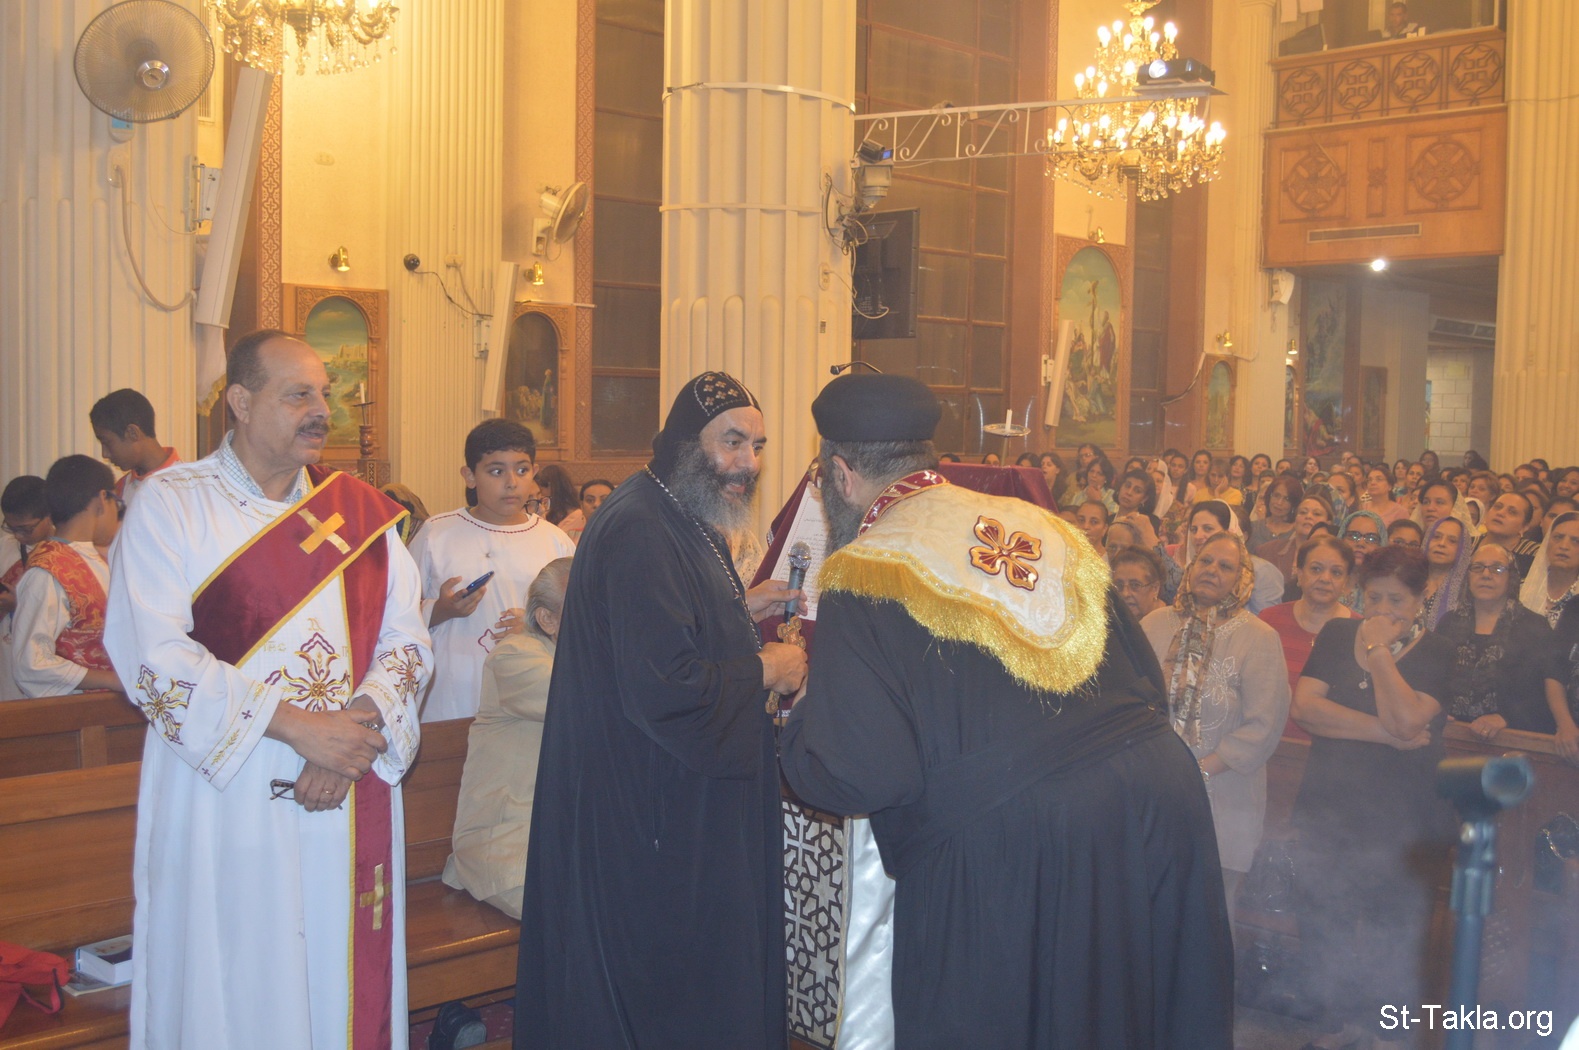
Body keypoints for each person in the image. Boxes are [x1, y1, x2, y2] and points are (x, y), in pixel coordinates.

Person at [779, 371, 1233, 1049]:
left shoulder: (863, 569)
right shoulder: (1040, 524)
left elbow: (864, 775)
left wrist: (797, 724)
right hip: (1159, 798)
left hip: (1029, 850)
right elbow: (1145, 675)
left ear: (840, 475)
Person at [103, 328, 432, 1050]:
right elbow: (150, 653)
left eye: (325, 394)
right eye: (298, 395)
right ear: (241, 402)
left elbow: (408, 640)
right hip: (224, 790)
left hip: (347, 786)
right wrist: (300, 729)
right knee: (235, 976)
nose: (320, 410)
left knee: (336, 975)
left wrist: (352, 733)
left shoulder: (361, 515)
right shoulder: (172, 504)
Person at [516, 371, 806, 1049]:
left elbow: (661, 625)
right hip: (649, 807)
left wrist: (739, 608)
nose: (748, 462)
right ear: (684, 444)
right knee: (665, 985)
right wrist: (767, 667)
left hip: (663, 792)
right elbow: (665, 686)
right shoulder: (641, 527)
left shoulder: (672, 511)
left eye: (757, 446)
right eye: (731, 442)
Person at [1289, 544, 1455, 1050]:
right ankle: (1332, 1026)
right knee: (1324, 919)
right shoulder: (1338, 634)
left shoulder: (1439, 651)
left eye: (1396, 600)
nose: (1383, 610)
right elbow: (1306, 709)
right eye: (1374, 597)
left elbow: (1408, 719)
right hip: (1329, 806)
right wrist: (1386, 735)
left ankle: (1387, 1034)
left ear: (1422, 597)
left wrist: (1380, 650)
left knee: (1394, 931)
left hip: (1403, 819)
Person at [1142, 531, 1290, 911]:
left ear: (1242, 578)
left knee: (1208, 912)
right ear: (1191, 566)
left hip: (1223, 796)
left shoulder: (1259, 638)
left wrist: (1197, 771)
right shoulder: (1155, 624)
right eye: (1206, 561)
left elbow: (1264, 726)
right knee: (1146, 904)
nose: (1212, 570)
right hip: (1153, 790)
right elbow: (1131, 700)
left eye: (1226, 566)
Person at [409, 421, 575, 722]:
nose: (511, 482)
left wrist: (536, 626)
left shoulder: (555, 541)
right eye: (496, 471)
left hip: (530, 694)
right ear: (470, 476)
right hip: (453, 691)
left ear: (535, 473)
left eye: (522, 470)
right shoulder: (437, 534)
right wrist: (441, 610)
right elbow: (394, 615)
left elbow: (581, 619)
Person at [443, 556, 572, 919]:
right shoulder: (516, 655)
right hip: (507, 845)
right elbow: (588, 702)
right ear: (547, 619)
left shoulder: (588, 661)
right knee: (596, 919)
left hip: (569, 839)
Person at [9, 456, 122, 698]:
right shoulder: (48, 570)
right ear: (102, 499)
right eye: (117, 501)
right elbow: (31, 664)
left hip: (114, 708)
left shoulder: (100, 557)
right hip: (78, 710)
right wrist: (114, 680)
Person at [1437, 542, 1564, 739]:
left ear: (1511, 577)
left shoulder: (1534, 627)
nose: (1486, 574)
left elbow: (1543, 692)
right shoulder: (1448, 623)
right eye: (1478, 567)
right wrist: (1435, 710)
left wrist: (1506, 718)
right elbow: (1431, 677)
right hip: (1450, 734)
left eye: (1497, 568)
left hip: (1511, 738)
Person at [1259, 536, 1356, 741]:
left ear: (1346, 582)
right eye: (1316, 569)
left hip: (1333, 749)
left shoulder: (1359, 631)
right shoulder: (1268, 621)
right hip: (1267, 744)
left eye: (1336, 572)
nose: (1325, 578)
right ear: (1300, 573)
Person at [1523, 512, 1579, 761]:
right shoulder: (1520, 588)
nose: (1564, 546)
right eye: (1558, 537)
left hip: (1567, 712)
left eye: (1575, 541)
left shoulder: (1576, 605)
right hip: (1520, 705)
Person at [1181, 500, 1285, 614]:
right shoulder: (1192, 568)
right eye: (1194, 530)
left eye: (1208, 528)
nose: (1197, 536)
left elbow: (1265, 619)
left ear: (1229, 531)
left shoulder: (1262, 572)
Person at [0, 476, 53, 699]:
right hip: (6, 669)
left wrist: (18, 607)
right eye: (10, 527)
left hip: (45, 676)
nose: (17, 536)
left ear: (50, 515)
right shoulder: (5, 548)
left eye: (26, 529)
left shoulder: (63, 555)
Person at [89, 388, 181, 505]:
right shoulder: (120, 490)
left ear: (132, 433)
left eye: (107, 443)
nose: (104, 454)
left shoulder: (188, 485)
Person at [1420, 516, 1471, 628]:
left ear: (1462, 549)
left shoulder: (1467, 591)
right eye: (1436, 537)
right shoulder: (1409, 580)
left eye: (1452, 541)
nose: (1442, 543)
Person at [1480, 490, 1541, 574]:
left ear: (1524, 527)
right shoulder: (1467, 543)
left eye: (1512, 512)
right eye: (1497, 507)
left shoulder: (1534, 553)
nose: (1500, 513)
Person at [1111, 545, 1166, 621]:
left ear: (1155, 588)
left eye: (1135, 585)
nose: (1125, 594)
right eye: (1119, 585)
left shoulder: (1170, 625)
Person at [1248, 474, 1302, 549]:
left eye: (1287, 499)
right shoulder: (1252, 528)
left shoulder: (1298, 533)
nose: (1279, 502)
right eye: (1276, 496)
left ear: (1294, 503)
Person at [559, 477, 613, 542]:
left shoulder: (622, 536)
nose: (596, 504)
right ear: (581, 505)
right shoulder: (568, 537)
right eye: (590, 500)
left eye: (604, 500)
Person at [530, 463, 577, 527]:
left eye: (541, 490)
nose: (541, 495)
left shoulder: (574, 515)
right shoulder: (547, 508)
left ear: (550, 486)